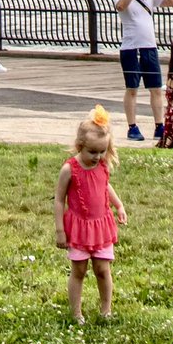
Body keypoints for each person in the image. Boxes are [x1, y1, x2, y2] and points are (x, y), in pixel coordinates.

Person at [54, 105, 127, 323]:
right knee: (79, 270)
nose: (98, 157)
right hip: (79, 227)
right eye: (92, 152)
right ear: (80, 146)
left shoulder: (102, 165)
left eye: (102, 151)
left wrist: (119, 206)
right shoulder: (70, 169)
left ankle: (106, 310)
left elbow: (105, 186)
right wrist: (60, 230)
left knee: (103, 269)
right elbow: (59, 200)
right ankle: (76, 313)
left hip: (101, 225)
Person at [113, 0, 173, 141]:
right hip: (130, 49)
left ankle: (159, 125)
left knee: (156, 89)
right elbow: (120, 7)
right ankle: (132, 127)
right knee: (132, 88)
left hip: (149, 48)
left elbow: (171, 2)